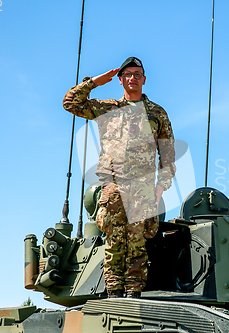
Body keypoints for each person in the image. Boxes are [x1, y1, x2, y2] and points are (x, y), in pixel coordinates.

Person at [63, 57, 176, 298]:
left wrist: (161, 187)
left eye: (137, 74)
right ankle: (113, 294)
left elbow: (167, 153)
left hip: (143, 187)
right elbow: (70, 103)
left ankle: (134, 294)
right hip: (113, 185)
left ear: (144, 79)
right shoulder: (107, 109)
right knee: (114, 243)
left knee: (137, 245)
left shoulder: (157, 113)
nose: (133, 78)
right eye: (128, 74)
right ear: (120, 79)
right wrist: (94, 82)